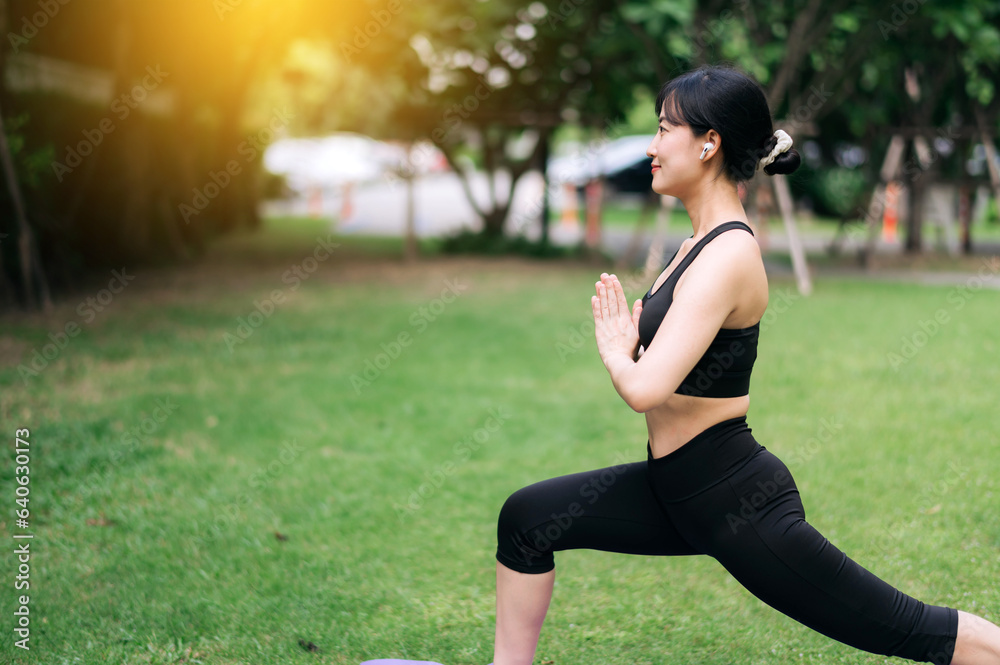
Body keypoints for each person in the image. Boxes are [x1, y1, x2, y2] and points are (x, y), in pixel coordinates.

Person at [492, 66, 1000, 665]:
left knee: (913, 629)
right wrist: (632, 348)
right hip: (673, 489)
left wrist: (616, 349)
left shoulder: (727, 254)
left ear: (709, 144)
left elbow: (646, 388)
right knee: (527, 519)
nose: (652, 148)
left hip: (733, 501)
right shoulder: (692, 247)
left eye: (662, 129)